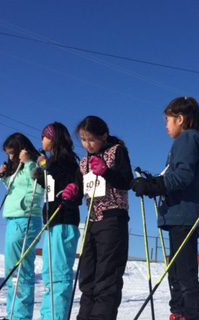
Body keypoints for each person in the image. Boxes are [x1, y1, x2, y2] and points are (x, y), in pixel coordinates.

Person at [132, 97, 199, 320]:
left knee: (184, 272)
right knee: (178, 270)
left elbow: (183, 176)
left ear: (180, 119)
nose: (165, 126)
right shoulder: (189, 141)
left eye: (167, 120)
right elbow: (177, 174)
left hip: (184, 213)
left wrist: (154, 186)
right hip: (183, 213)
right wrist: (155, 182)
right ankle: (179, 312)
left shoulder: (187, 139)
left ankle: (187, 314)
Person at [76, 116, 133, 320]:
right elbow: (80, 189)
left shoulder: (116, 151)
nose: (87, 144)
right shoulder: (83, 162)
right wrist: (72, 191)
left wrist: (107, 171)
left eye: (91, 139)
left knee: (106, 276)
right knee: (87, 274)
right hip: (92, 220)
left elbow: (126, 181)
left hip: (112, 217)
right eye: (83, 139)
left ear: (104, 136)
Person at [33, 122, 83, 319]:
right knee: (50, 275)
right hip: (53, 223)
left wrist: (47, 172)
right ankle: (49, 315)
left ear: (53, 138)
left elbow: (73, 191)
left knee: (59, 276)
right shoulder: (53, 162)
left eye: (44, 136)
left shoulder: (66, 161)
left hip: (63, 222)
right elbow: (53, 190)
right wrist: (42, 177)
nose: (42, 140)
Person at [0, 132, 43, 320]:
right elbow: (15, 191)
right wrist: (4, 177)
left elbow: (39, 186)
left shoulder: (36, 163)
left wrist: (28, 163)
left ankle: (20, 316)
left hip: (27, 218)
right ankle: (12, 314)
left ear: (22, 150)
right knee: (12, 272)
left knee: (21, 271)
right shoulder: (17, 167)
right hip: (13, 218)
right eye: (8, 154)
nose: (10, 157)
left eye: (12, 153)